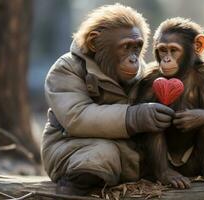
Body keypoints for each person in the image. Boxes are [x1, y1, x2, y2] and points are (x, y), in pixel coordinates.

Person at [41, 4, 174, 195]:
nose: (133, 59)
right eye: (126, 47)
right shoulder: (68, 68)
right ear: (95, 43)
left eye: (137, 48)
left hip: (123, 150)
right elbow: (76, 117)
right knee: (101, 156)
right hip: (70, 148)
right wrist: (133, 117)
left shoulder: (144, 71)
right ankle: (71, 189)